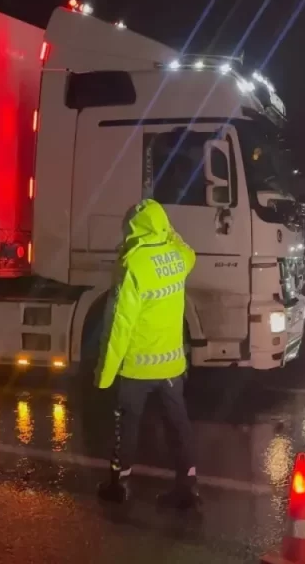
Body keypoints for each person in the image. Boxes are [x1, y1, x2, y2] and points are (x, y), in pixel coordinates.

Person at [94, 199, 200, 510]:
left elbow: (119, 326)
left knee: (127, 427)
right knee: (178, 425)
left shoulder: (133, 265)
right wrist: (168, 232)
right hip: (171, 367)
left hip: (136, 369)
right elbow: (189, 251)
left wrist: (104, 375)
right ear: (162, 225)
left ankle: (119, 485)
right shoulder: (179, 257)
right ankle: (187, 487)